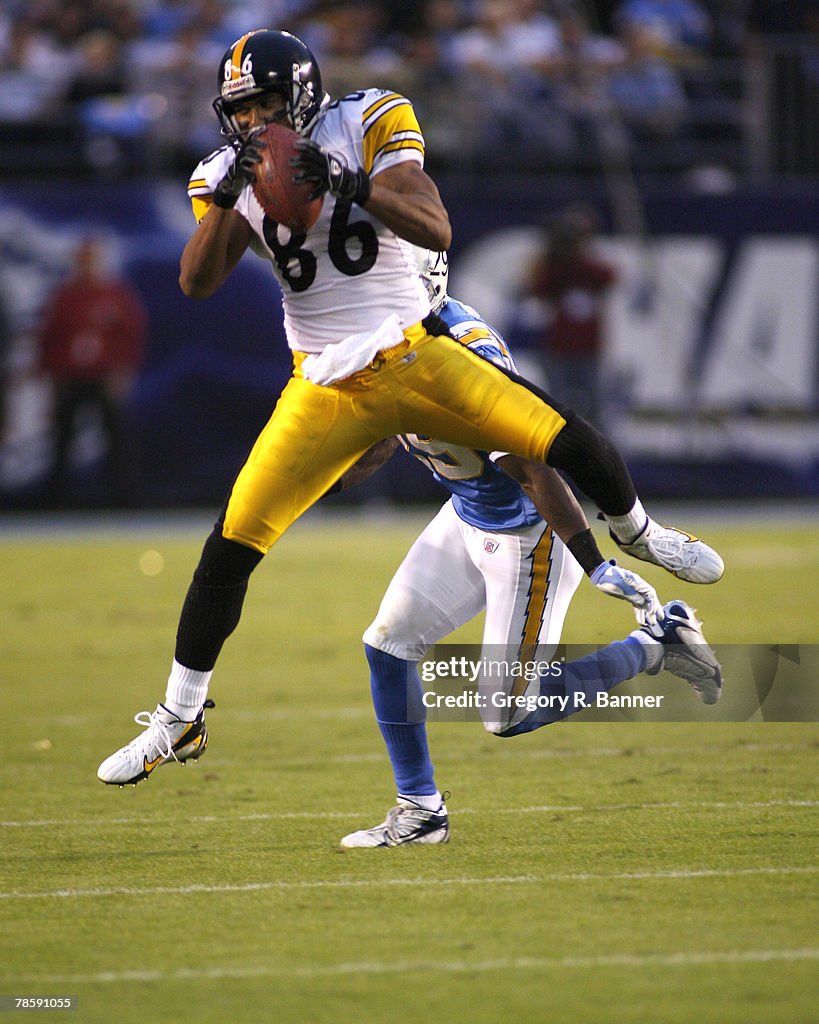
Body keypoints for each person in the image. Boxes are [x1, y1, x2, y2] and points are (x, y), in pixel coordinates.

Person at [97, 29, 723, 788]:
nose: (255, 119)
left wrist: (348, 184)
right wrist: (232, 193)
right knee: (233, 543)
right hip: (326, 382)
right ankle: (182, 719)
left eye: (267, 102)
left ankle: (646, 545)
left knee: (554, 437)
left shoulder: (370, 127)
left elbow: (433, 232)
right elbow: (198, 283)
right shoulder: (222, 172)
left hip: (417, 367)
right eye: (243, 108)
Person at [331, 251, 722, 847]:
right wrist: (311, 475)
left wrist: (595, 564)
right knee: (387, 643)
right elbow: (384, 436)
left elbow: (537, 471)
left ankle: (654, 644)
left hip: (529, 537)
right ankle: (421, 810)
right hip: (466, 516)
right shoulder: (391, 343)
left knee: (504, 715)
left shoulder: (462, 360)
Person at [37, 233, 147, 507]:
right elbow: (51, 337)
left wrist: (122, 371)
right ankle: (56, 501)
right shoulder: (66, 296)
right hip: (71, 376)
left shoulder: (115, 295)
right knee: (62, 440)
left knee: (116, 439)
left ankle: (125, 500)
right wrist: (53, 376)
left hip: (103, 376)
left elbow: (131, 335)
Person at [520, 204, 617, 426]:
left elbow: (610, 276)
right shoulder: (555, 269)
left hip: (588, 348)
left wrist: (580, 254)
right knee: (557, 407)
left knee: (595, 405)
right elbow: (534, 287)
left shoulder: (590, 269)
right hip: (559, 348)